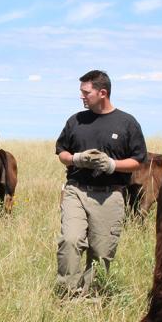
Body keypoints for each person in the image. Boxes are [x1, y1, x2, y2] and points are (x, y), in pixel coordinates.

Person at [55, 70, 146, 299]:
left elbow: (138, 161)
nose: (82, 97)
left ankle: (89, 297)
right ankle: (67, 295)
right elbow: (62, 153)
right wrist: (77, 159)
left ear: (102, 93)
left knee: (102, 251)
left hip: (110, 195)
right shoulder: (76, 120)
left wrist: (111, 165)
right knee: (70, 240)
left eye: (86, 92)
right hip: (76, 190)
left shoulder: (127, 123)